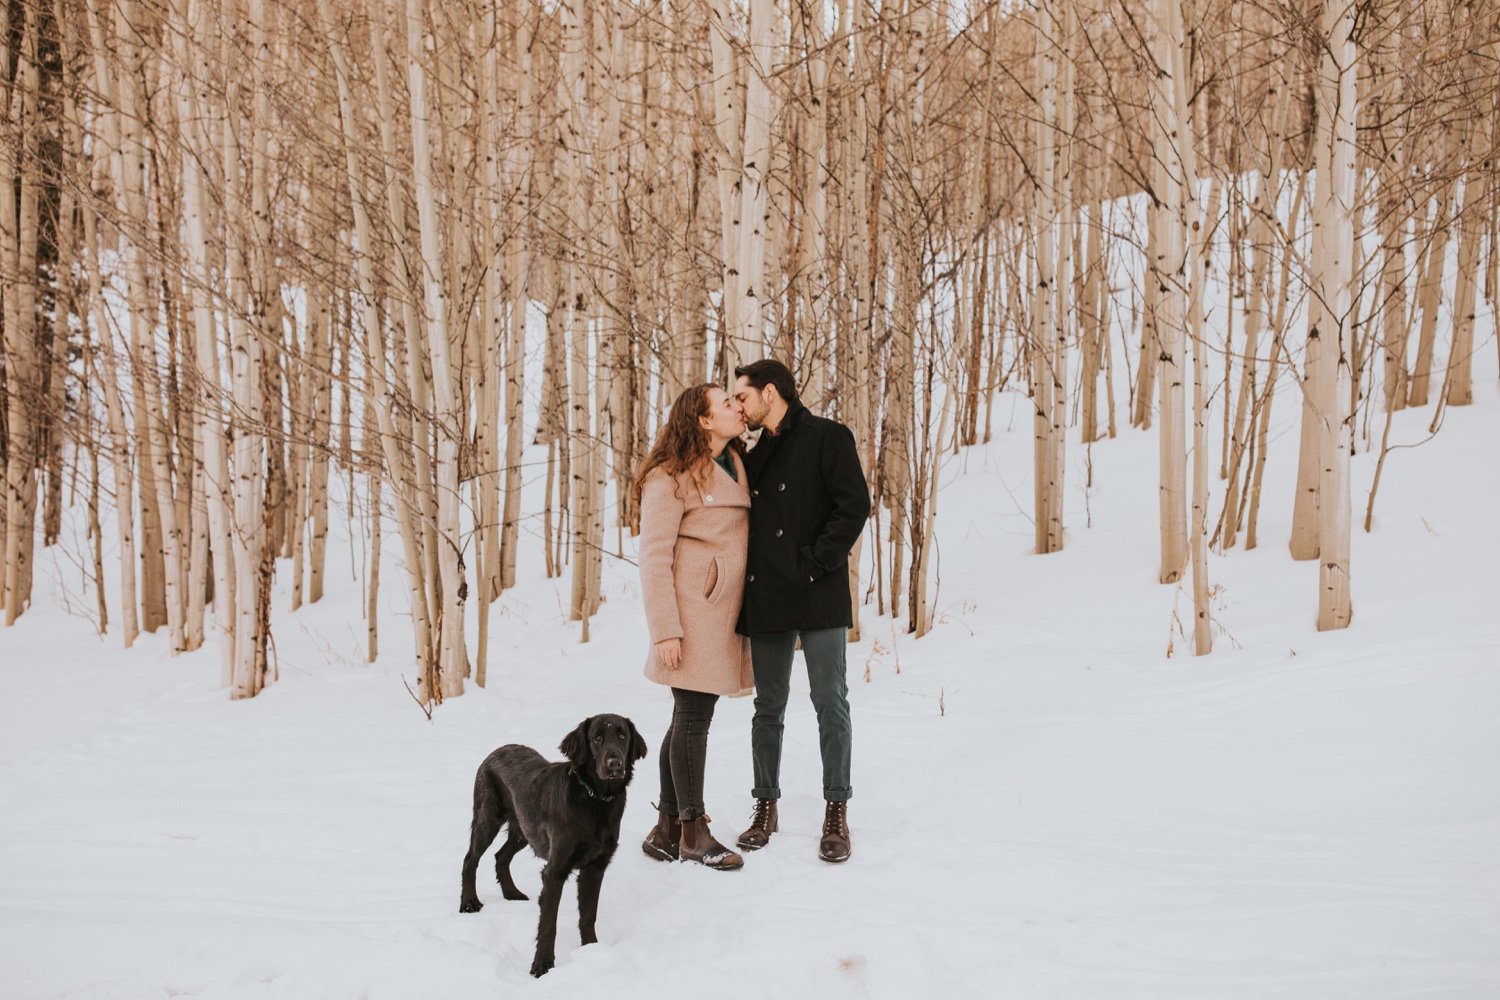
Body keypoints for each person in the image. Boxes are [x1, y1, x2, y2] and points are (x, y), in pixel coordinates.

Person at [731, 359, 869, 863]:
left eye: (742, 397)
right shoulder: (754, 454)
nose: (738, 407)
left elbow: (853, 506)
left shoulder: (829, 437)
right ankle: (765, 807)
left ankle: (837, 809)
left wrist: (815, 564)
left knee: (829, 701)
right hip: (767, 595)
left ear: (770, 392)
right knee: (768, 707)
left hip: (817, 593)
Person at [634, 383, 754, 871]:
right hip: (693, 612)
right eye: (727, 403)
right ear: (703, 420)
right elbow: (653, 558)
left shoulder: (738, 463)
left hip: (723, 609)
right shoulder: (669, 477)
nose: (737, 407)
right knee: (693, 719)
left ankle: (665, 829)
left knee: (687, 715)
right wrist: (666, 629)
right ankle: (692, 831)